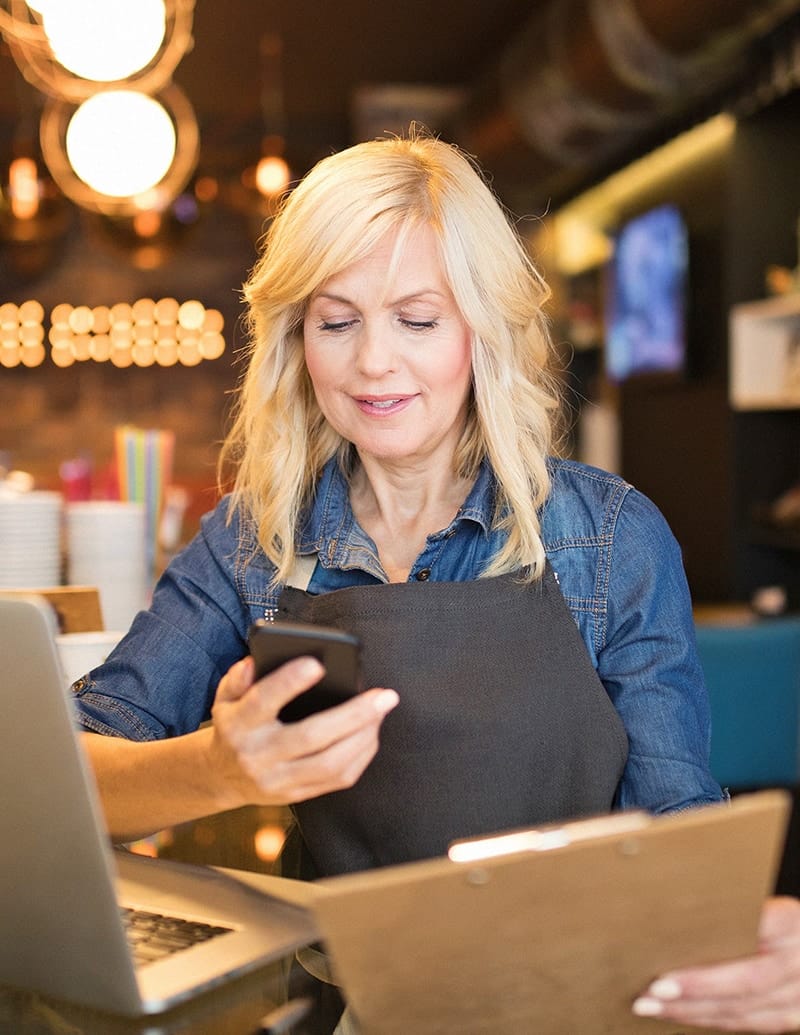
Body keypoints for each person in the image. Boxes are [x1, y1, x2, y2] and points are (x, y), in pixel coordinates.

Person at [72, 132, 730, 1032]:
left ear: (482, 330)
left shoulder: (608, 539)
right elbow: (71, 777)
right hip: (357, 1002)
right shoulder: (254, 540)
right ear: (295, 338)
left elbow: (681, 841)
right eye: (335, 322)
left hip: (581, 997)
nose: (372, 362)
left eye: (417, 320)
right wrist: (217, 767)